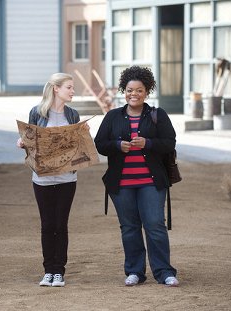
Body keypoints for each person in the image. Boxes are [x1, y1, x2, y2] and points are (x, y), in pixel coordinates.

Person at [94, 66, 179, 287]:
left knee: (155, 225)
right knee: (130, 228)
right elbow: (99, 144)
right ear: (124, 90)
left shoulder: (157, 115)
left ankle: (164, 272)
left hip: (151, 182)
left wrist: (148, 143)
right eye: (130, 90)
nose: (134, 94)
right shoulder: (113, 116)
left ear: (147, 91)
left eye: (139, 90)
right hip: (121, 184)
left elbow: (170, 142)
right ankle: (134, 271)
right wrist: (116, 145)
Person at [17, 73, 87, 287]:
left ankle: (59, 272)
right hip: (42, 180)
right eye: (69, 87)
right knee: (47, 225)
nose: (73, 91)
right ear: (56, 89)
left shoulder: (73, 115)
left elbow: (77, 148)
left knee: (61, 224)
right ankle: (49, 271)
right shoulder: (37, 113)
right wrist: (22, 142)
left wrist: (83, 135)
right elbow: (30, 142)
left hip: (67, 179)